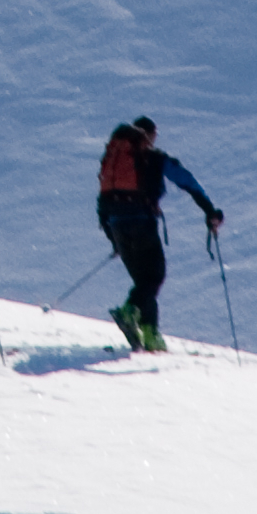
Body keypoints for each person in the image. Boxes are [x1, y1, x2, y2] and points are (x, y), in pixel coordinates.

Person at [94, 116, 224, 352]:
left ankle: (151, 333)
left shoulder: (113, 161)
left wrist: (114, 241)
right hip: (142, 222)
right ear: (149, 136)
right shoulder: (155, 159)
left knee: (143, 282)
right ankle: (130, 312)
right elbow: (188, 182)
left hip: (117, 226)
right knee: (154, 277)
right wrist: (210, 211)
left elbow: (103, 202)